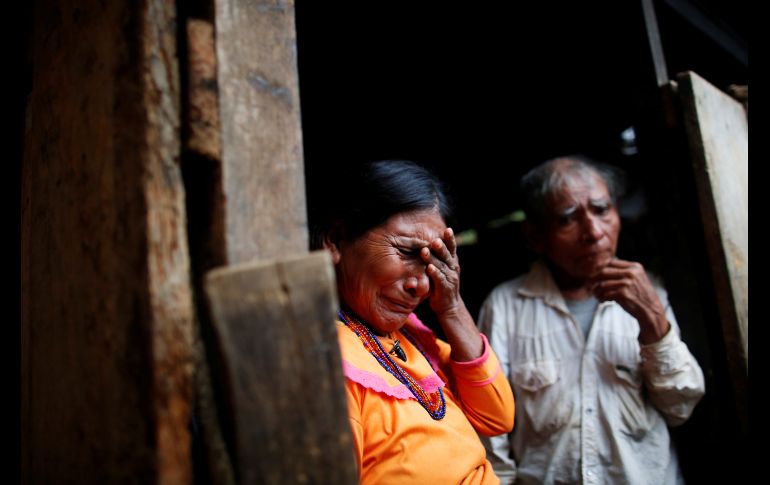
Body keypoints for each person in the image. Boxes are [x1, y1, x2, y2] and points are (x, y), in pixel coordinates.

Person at [477, 155, 705, 484]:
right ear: (535, 236)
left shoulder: (650, 292)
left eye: (602, 210)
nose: (594, 232)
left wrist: (653, 319)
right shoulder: (505, 306)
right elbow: (490, 428)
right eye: (568, 219)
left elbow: (680, 407)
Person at [312, 159, 515, 484]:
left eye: (434, 262)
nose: (421, 285)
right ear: (335, 240)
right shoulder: (329, 360)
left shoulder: (410, 337)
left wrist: (452, 307)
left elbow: (497, 416)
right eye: (407, 252)